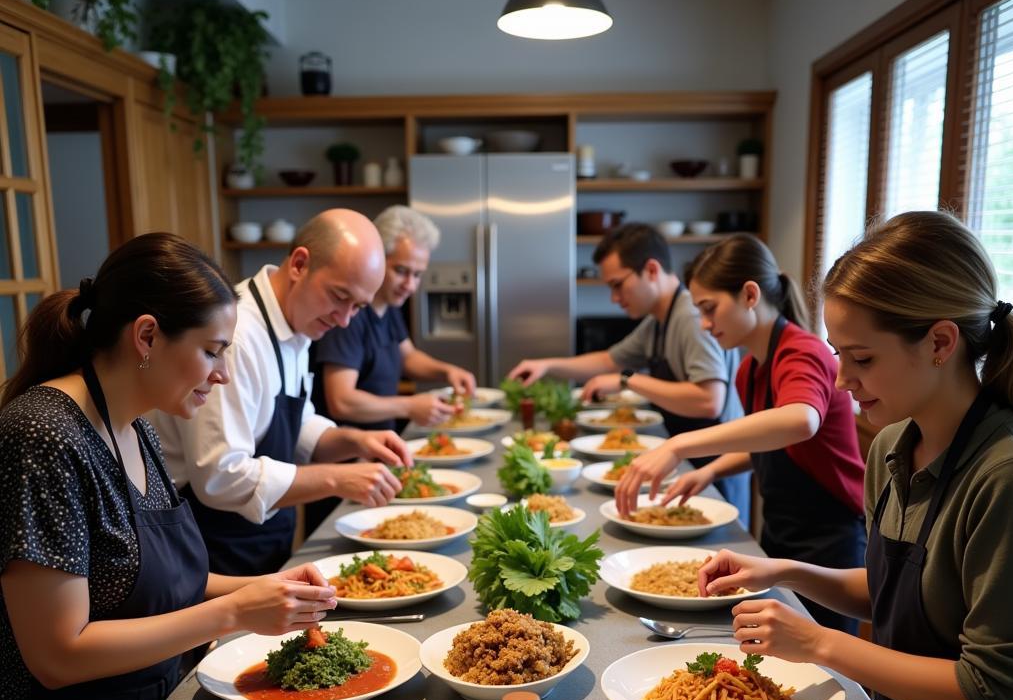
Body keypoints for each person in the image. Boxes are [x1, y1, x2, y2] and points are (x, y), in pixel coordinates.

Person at [697, 211, 1013, 700]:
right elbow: (892, 587)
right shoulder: (892, 447)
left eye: (863, 357)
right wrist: (782, 571)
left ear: (940, 342)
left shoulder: (1004, 475)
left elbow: (990, 696)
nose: (842, 379)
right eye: (839, 353)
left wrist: (818, 645)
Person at [0, 233, 340, 700]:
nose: (225, 373)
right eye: (212, 350)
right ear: (148, 336)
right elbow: (58, 653)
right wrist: (234, 614)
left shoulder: (135, 426)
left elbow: (156, 581)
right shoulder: (45, 437)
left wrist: (271, 591)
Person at [615, 233, 865, 634]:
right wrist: (710, 471)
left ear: (750, 295)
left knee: (829, 662)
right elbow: (771, 445)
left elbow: (800, 421)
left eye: (710, 308)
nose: (705, 324)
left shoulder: (802, 351)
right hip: (781, 529)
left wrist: (680, 445)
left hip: (830, 538)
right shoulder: (751, 368)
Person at [151, 209, 413, 578]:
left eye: (357, 307)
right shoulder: (237, 336)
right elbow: (220, 477)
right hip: (213, 554)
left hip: (263, 546)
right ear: (300, 264)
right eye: (340, 296)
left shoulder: (298, 323)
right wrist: (337, 479)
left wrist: (357, 442)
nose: (344, 320)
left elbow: (295, 422)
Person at [507, 223, 749, 523]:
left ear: (650, 270)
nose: (614, 297)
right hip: (687, 463)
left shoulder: (689, 316)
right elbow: (609, 360)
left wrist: (628, 380)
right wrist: (547, 365)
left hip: (713, 471)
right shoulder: (659, 319)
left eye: (617, 284)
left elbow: (708, 400)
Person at [312, 205, 477, 431]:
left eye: (417, 275)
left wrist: (448, 371)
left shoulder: (388, 304)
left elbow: (407, 358)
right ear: (377, 259)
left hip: (378, 446)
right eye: (400, 271)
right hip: (349, 458)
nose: (409, 285)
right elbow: (342, 401)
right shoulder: (349, 314)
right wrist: (409, 406)